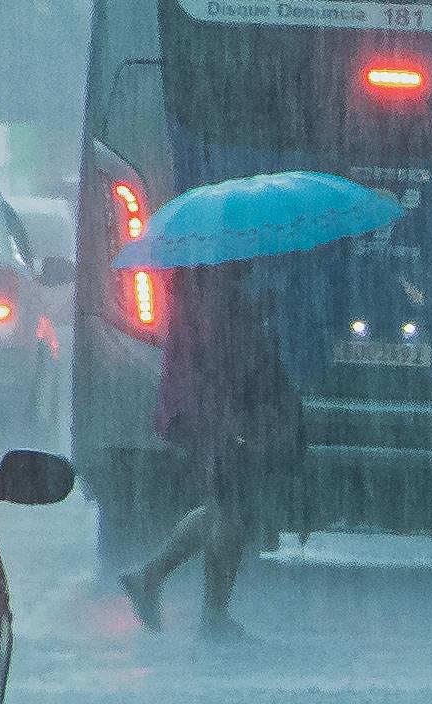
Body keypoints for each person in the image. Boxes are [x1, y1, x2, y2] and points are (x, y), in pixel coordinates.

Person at [118, 267, 301, 638]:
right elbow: (219, 350)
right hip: (213, 412)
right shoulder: (210, 288)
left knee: (220, 507)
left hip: (204, 409)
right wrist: (251, 318)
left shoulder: (201, 284)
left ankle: (150, 578)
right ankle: (211, 613)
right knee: (231, 513)